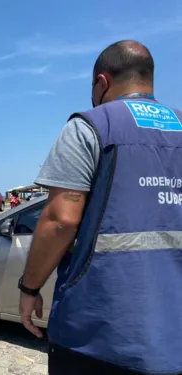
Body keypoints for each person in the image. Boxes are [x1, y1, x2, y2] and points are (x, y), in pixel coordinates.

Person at [17, 40, 182, 374]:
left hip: (98, 335)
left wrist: (29, 287)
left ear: (102, 82)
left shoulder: (90, 126)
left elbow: (61, 219)